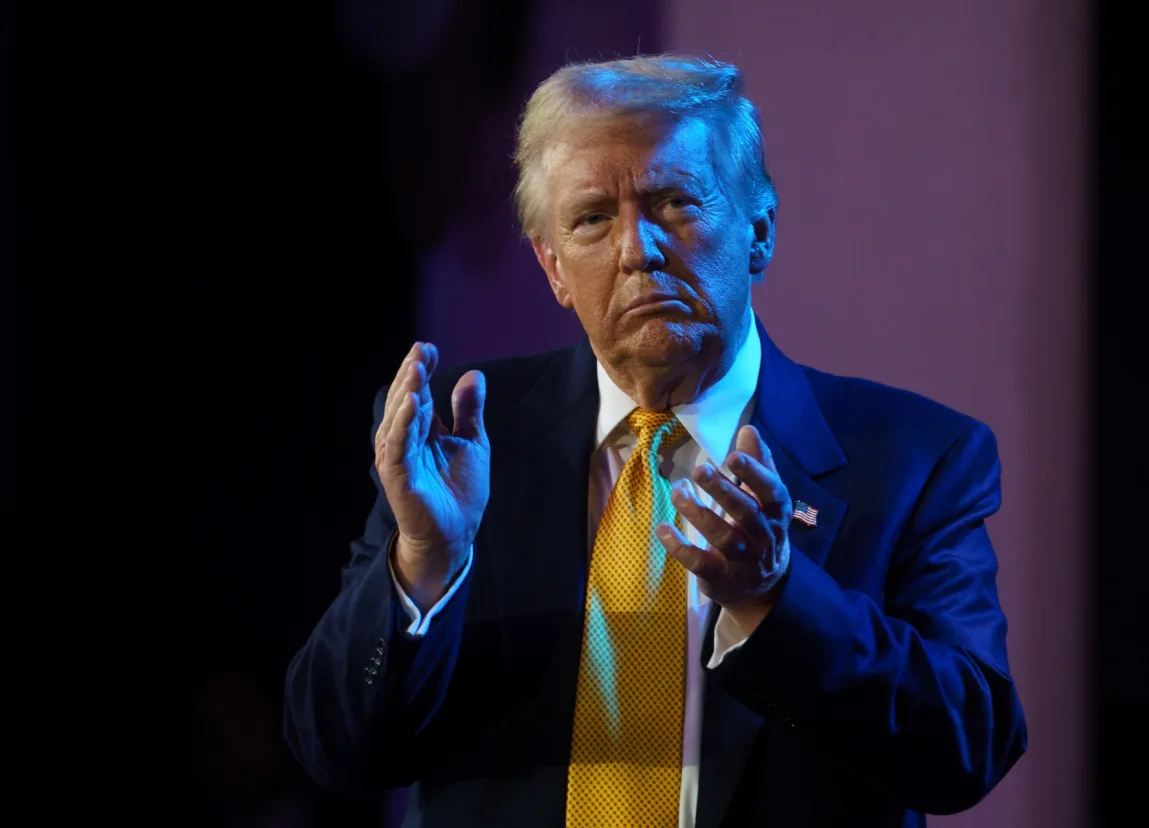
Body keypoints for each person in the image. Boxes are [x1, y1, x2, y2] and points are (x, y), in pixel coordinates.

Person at [284, 54, 1027, 828]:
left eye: (674, 203)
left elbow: (967, 747)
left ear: (759, 231)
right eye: (592, 218)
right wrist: (422, 564)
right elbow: (337, 751)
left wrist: (776, 598)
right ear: (553, 268)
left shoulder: (914, 458)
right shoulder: (459, 436)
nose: (637, 249)